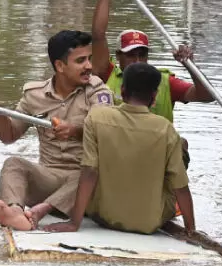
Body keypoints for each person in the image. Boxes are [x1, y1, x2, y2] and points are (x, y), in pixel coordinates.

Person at [0, 30, 114, 231]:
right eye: (81, 61)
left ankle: (39, 212)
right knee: (13, 163)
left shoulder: (98, 91)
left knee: (95, 171)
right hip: (49, 178)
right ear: (60, 66)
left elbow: (106, 133)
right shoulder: (34, 95)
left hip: (86, 185)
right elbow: (9, 135)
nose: (89, 66)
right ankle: (15, 213)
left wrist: (76, 130)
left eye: (89, 59)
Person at [45, 63, 196, 235]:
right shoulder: (165, 128)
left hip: (103, 215)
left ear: (122, 91)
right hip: (149, 222)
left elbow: (89, 172)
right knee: (181, 146)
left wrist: (74, 223)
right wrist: (191, 230)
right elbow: (181, 187)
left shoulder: (96, 117)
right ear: (154, 96)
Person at [92, 0, 215, 124]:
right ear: (118, 56)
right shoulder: (106, 74)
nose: (137, 61)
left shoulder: (165, 82)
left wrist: (190, 65)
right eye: (130, 55)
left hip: (156, 147)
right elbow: (98, 34)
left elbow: (207, 96)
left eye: (142, 55)